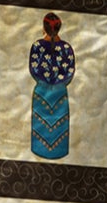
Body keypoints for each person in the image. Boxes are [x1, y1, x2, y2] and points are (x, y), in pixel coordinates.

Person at [29, 13, 75, 159]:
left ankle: (40, 151)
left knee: (41, 124)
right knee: (59, 126)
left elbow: (34, 69)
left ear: (44, 28)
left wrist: (45, 81)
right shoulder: (66, 48)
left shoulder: (37, 46)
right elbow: (70, 72)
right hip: (61, 92)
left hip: (41, 91)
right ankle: (58, 152)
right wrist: (58, 83)